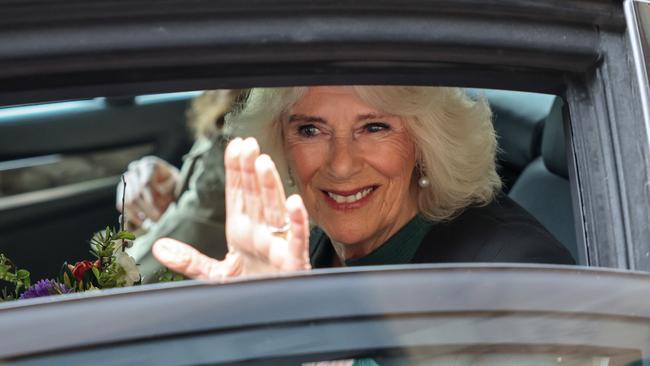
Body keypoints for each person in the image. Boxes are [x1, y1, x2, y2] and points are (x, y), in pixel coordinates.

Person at [151, 86, 574, 280]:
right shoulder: (313, 236)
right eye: (311, 131)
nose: (340, 166)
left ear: (425, 141)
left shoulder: (517, 273)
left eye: (373, 127)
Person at [117, 90, 243, 282]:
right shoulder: (228, 103)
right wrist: (178, 185)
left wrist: (138, 224)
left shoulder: (235, 126)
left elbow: (123, 280)